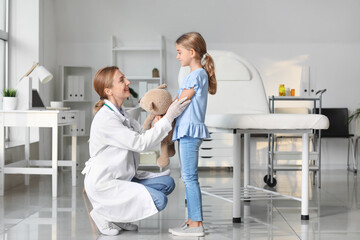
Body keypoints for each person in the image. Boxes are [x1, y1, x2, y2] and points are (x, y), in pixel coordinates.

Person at [82, 66, 190, 236]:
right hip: (105, 184)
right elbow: (140, 143)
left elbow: (141, 133)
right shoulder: (106, 119)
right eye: (122, 80)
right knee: (159, 201)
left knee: (167, 184)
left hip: (123, 176)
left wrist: (156, 121)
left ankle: (119, 217)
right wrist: (169, 117)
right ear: (108, 90)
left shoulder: (121, 112)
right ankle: (102, 214)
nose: (128, 82)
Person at [169, 32, 217, 237]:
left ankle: (196, 224)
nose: (178, 56)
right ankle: (191, 221)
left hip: (190, 131)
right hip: (187, 130)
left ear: (192, 52)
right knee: (187, 177)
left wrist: (165, 114)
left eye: (180, 52)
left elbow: (181, 102)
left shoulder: (197, 75)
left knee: (189, 178)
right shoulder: (195, 75)